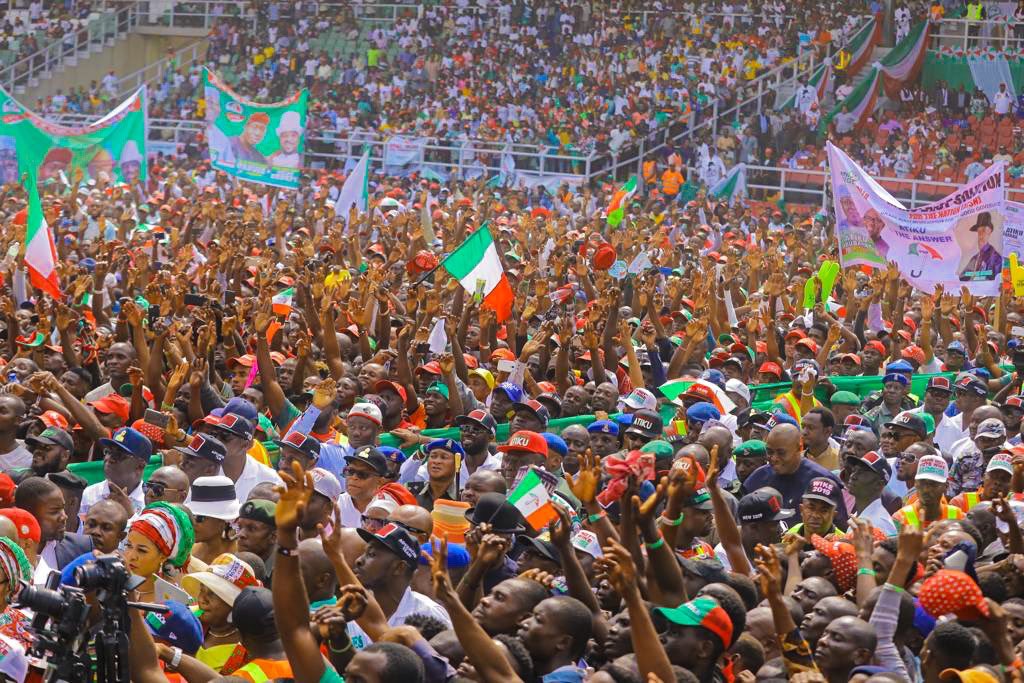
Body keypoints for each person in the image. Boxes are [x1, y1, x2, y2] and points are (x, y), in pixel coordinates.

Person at [742, 423, 847, 527]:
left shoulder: (822, 481)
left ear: (799, 448)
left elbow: (840, 528)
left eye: (781, 453)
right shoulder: (757, 478)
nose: (774, 458)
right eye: (769, 452)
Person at [893, 454, 964, 529]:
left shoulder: (958, 517)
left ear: (946, 486)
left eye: (933, 484)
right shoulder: (900, 518)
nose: (926, 490)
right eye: (922, 483)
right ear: (916, 484)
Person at [959, 212, 1003, 281]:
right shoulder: (975, 258)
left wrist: (975, 277)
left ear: (989, 232)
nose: (981, 235)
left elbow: (997, 280)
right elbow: (962, 277)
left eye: (984, 231)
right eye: (979, 231)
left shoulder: (996, 258)